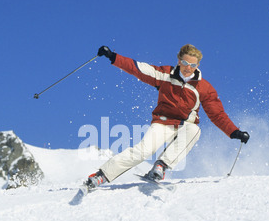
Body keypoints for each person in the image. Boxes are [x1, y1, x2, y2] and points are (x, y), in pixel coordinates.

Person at [84, 44, 249, 190]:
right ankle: (101, 176)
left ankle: (161, 166)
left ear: (197, 65)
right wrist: (113, 56)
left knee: (194, 130)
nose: (187, 68)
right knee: (143, 151)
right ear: (179, 60)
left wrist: (234, 132)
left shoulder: (203, 88)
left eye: (192, 65)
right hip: (162, 123)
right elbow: (139, 69)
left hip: (184, 124)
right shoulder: (165, 75)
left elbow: (217, 113)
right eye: (185, 63)